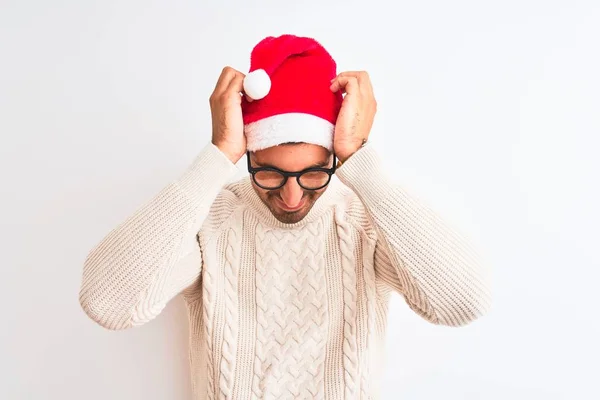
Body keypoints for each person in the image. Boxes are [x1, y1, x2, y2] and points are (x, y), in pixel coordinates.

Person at [78, 34, 491, 399]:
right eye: (270, 173)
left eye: (313, 172)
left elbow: (464, 302)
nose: (292, 196)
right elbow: (107, 303)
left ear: (333, 156)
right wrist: (216, 155)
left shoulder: (365, 220)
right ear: (250, 154)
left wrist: (360, 159)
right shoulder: (213, 220)